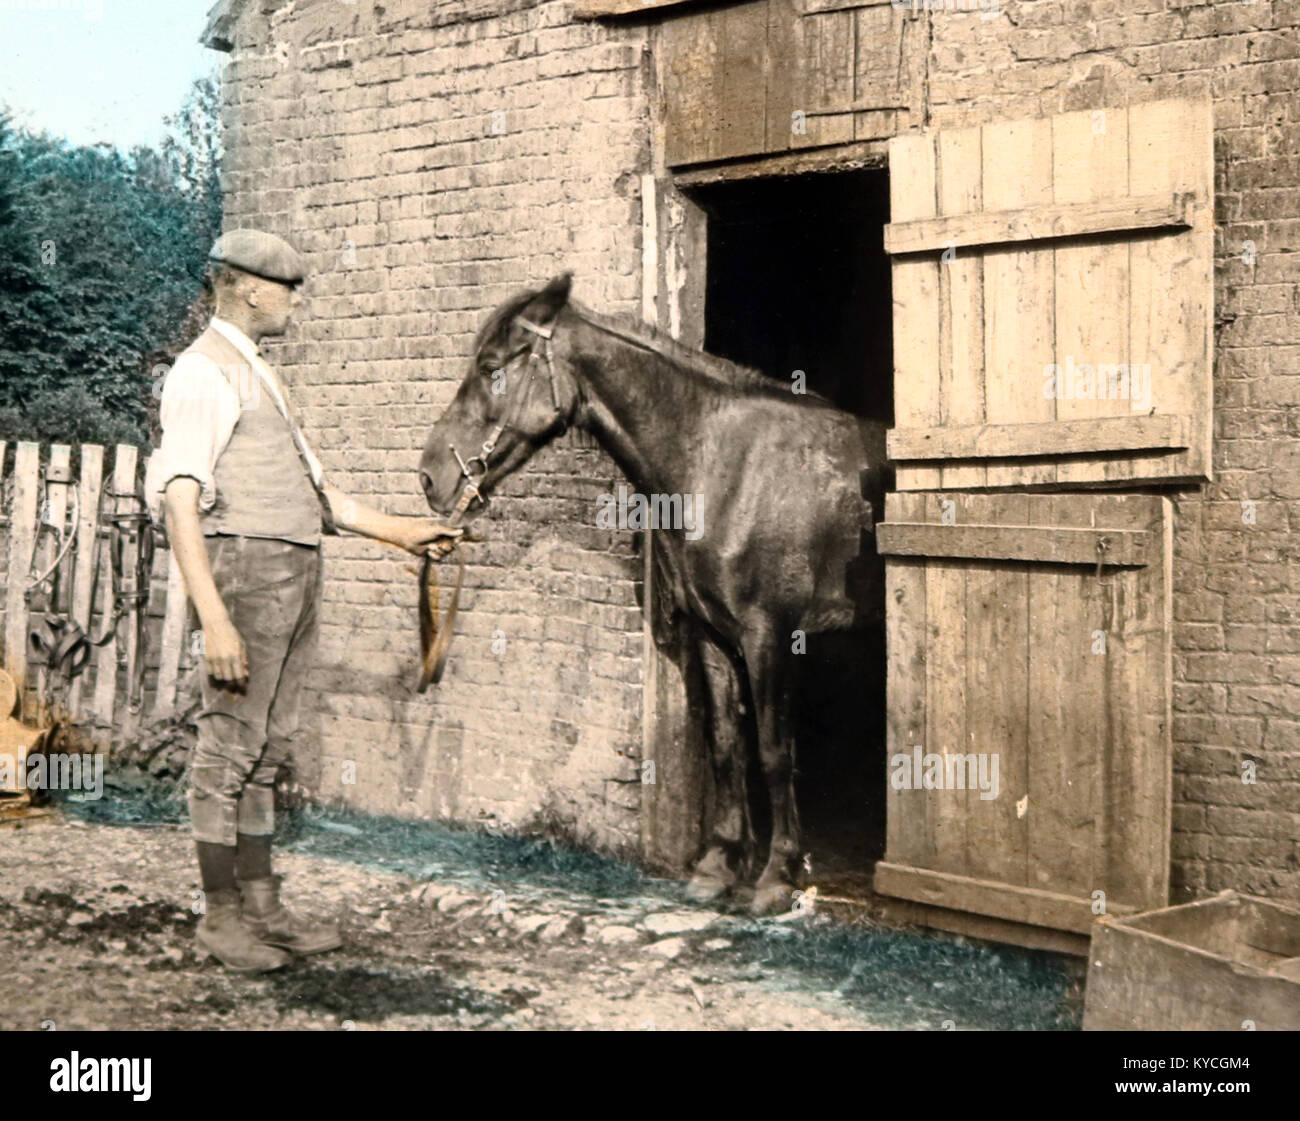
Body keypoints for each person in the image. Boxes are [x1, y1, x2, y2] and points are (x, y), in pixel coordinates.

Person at [149, 229, 461, 972]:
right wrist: (215, 617)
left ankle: (262, 907)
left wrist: (406, 535)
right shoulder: (202, 372)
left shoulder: (261, 372)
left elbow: (325, 499)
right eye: (287, 287)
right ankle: (220, 918)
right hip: (245, 575)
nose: (294, 300)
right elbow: (180, 502)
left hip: (294, 572)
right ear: (250, 287)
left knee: (267, 747)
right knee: (228, 746)